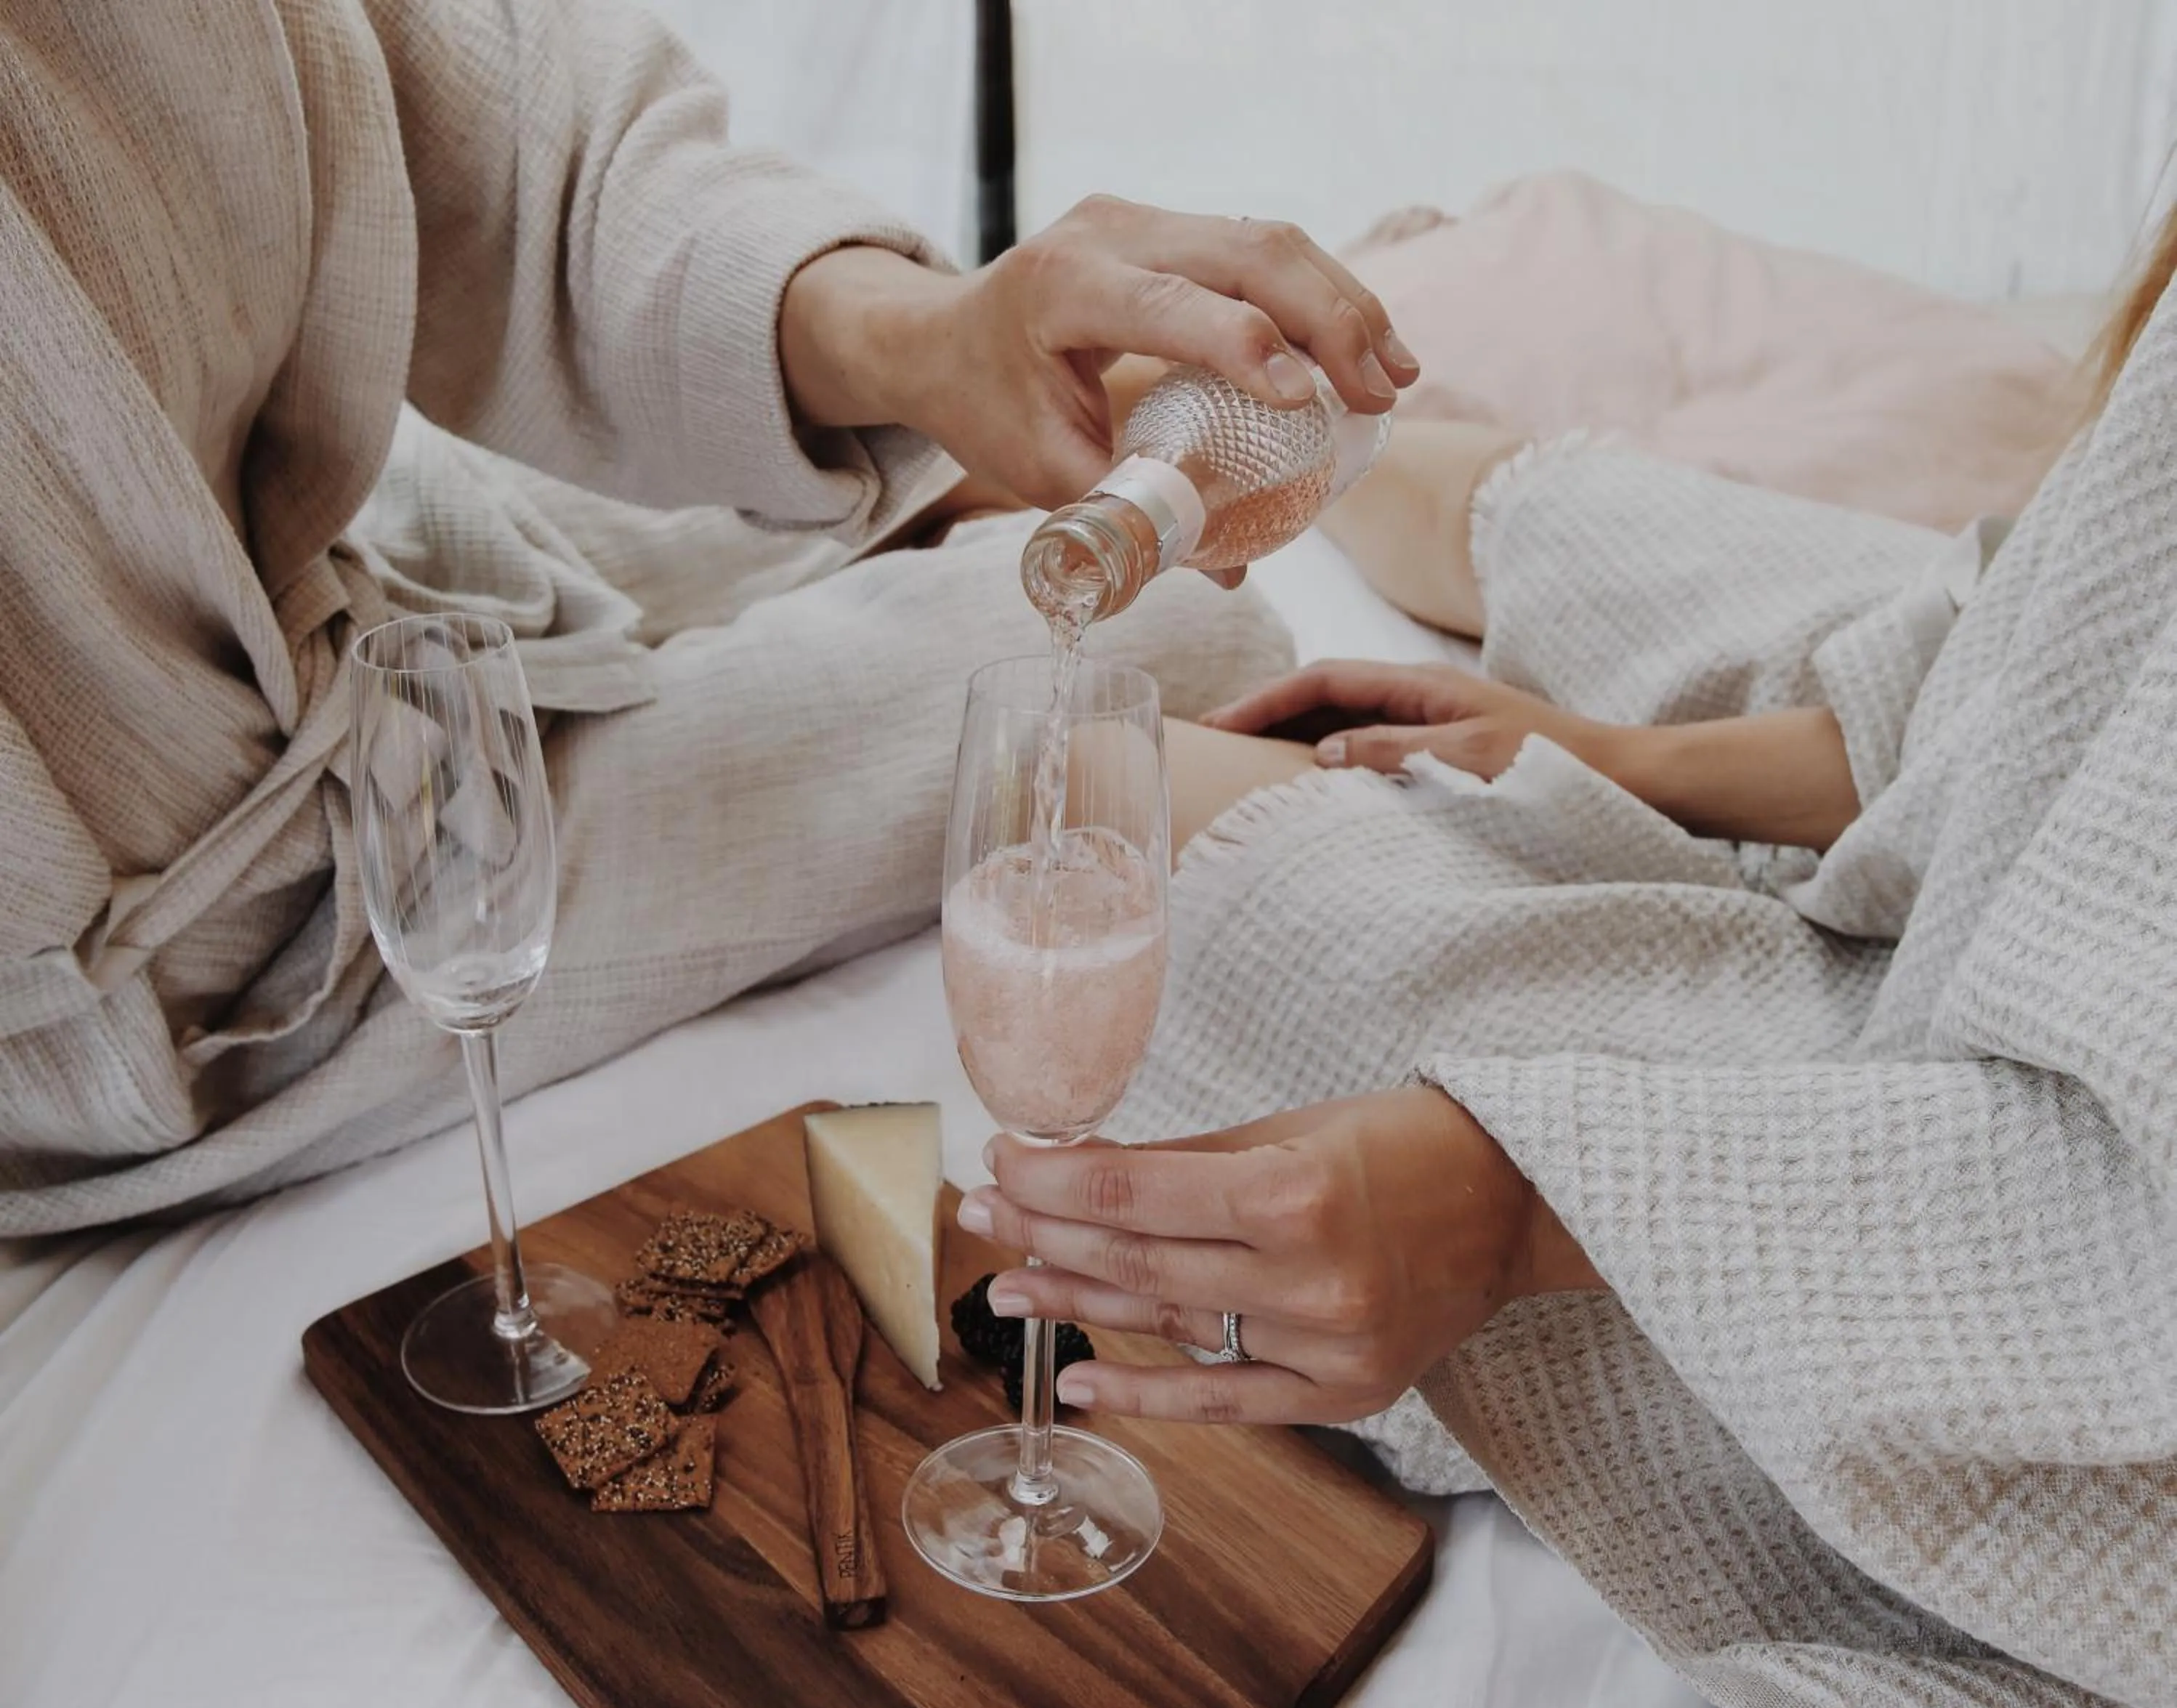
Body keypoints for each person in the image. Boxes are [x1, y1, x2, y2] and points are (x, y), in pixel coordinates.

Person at [965, 214, 2177, 1708]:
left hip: (2021, 1266)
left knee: (1127, 808)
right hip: (2010, 878)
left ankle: (1318, 480)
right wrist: (1619, 763)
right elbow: (2042, 656)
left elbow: (2107, 1230)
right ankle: (1346, 460)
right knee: (1616, 535)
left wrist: (1514, 1200)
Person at [0, 0, 1414, 1234]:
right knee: (1199, 640)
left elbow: (491, 139)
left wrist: (919, 335)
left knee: (917, 496)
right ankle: (946, 496)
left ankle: (955, 451)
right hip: (218, 944)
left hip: (331, 548)